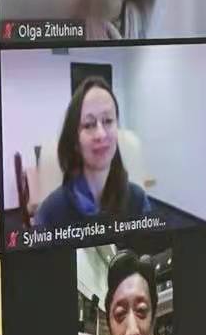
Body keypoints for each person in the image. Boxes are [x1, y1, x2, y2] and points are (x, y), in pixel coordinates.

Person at [33, 76, 153, 229]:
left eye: (108, 121)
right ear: (75, 140)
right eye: (89, 125)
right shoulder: (49, 213)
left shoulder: (138, 201)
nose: (101, 134)